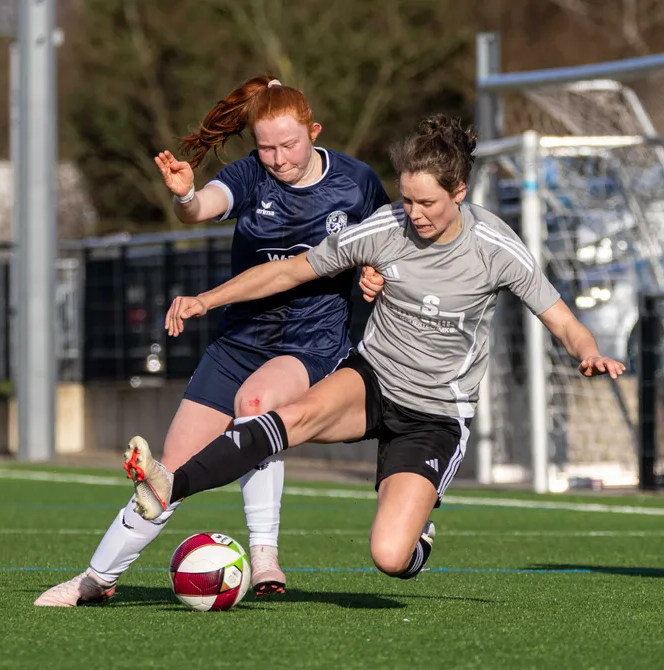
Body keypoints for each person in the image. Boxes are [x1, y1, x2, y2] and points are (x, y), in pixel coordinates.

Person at [124, 113, 625, 581]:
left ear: (459, 192)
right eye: (406, 200)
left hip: (434, 413)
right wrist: (206, 300)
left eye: (427, 203)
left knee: (389, 556)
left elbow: (560, 317)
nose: (414, 214)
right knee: (282, 416)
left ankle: (418, 529)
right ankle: (173, 484)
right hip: (371, 379)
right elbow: (287, 270)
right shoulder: (388, 227)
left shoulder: (496, 248)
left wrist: (587, 351)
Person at [34, 76, 389, 606]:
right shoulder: (251, 175)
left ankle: (264, 553)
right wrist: (185, 196)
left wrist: (375, 271)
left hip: (310, 341)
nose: (277, 158)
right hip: (241, 339)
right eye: (265, 147)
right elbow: (201, 208)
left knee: (257, 404)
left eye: (288, 145)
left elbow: (388, 241)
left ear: (314, 132)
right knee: (167, 475)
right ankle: (96, 578)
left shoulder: (357, 181)